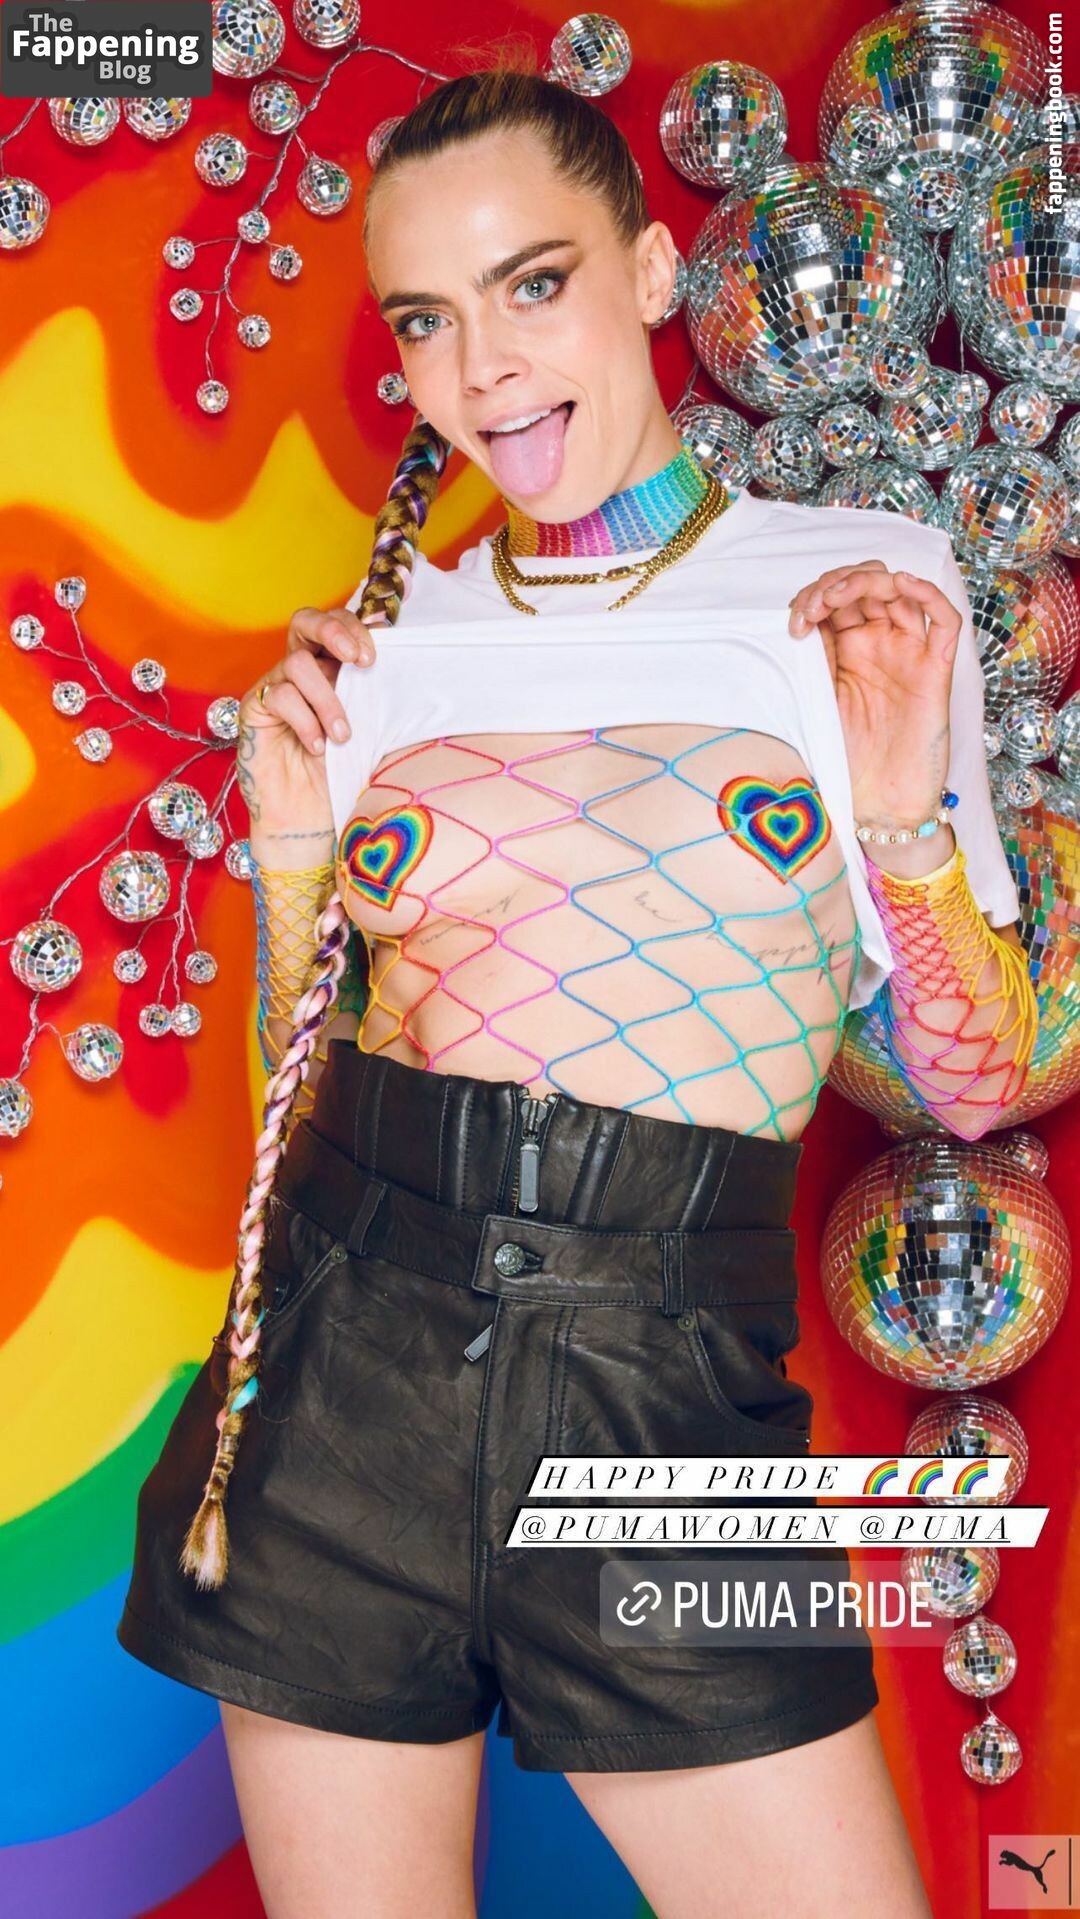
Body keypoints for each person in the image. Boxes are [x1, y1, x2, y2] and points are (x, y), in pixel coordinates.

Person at [116, 61, 1038, 1919]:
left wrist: (898, 822)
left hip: (661, 1388)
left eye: (532, 285)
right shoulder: (395, 645)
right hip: (339, 1393)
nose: (484, 371)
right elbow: (290, 1109)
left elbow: (970, 1082)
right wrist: (290, 851)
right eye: (425, 321)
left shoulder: (860, 591)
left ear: (650, 270)